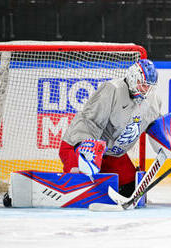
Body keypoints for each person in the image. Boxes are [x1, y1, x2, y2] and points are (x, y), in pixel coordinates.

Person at [59, 59, 162, 198]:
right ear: (132, 78)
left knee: (132, 191)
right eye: (142, 85)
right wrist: (84, 147)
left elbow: (155, 125)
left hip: (112, 153)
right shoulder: (112, 89)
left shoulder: (151, 99)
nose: (145, 90)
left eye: (149, 86)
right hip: (81, 147)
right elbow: (89, 120)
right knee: (80, 190)